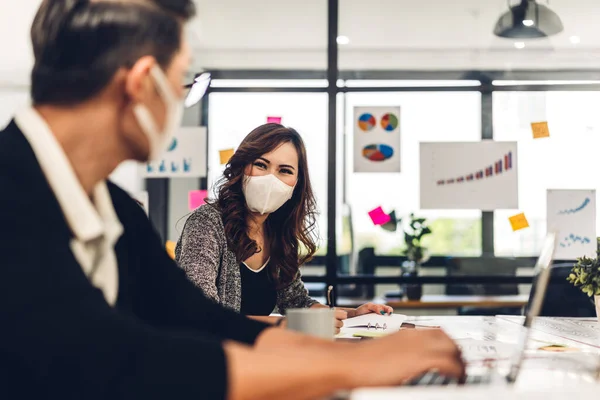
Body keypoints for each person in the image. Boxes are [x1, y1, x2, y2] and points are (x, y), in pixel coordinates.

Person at [0, 0, 465, 398]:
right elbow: (117, 360)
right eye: (183, 80)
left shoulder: (115, 211)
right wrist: (354, 367)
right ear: (142, 82)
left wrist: (352, 349)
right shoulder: (11, 199)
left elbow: (200, 320)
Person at [176, 124, 393, 331]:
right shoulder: (206, 222)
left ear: (296, 184)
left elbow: (296, 302)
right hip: (211, 360)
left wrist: (352, 316)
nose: (271, 178)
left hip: (257, 355)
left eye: (285, 171)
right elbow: (200, 310)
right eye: (261, 165)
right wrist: (289, 325)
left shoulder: (277, 231)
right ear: (242, 168)